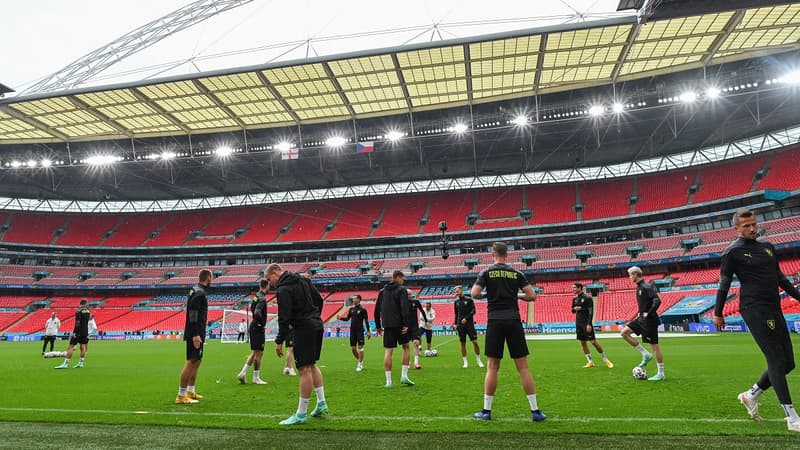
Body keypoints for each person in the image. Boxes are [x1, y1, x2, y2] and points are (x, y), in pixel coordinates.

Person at [714, 208, 800, 432]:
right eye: (746, 226)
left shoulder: (767, 247)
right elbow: (724, 284)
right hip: (753, 308)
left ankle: (750, 395)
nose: (752, 228)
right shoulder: (731, 253)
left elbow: (781, 279)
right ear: (737, 229)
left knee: (789, 363)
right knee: (776, 360)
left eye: (754, 223)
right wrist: (718, 312)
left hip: (774, 307)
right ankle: (792, 418)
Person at [471, 242, 545, 422]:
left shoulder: (487, 272)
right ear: (507, 255)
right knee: (523, 368)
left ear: (493, 254)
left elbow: (474, 293)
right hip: (513, 320)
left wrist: (488, 294)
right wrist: (516, 295)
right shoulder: (516, 273)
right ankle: (535, 411)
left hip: (495, 321)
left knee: (492, 367)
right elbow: (532, 296)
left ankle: (486, 411)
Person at [267, 263, 328, 425]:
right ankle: (321, 403)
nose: (270, 283)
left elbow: (284, 317)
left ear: (275, 272)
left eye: (269, 278)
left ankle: (301, 414)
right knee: (312, 364)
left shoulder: (283, 289)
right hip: (316, 324)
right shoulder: (304, 280)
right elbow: (319, 300)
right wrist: (314, 316)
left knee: (303, 369)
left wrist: (279, 340)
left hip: (304, 328)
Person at [620, 266, 664, 381]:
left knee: (654, 346)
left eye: (630, 275)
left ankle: (661, 373)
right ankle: (645, 354)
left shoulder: (646, 286)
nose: (630, 277)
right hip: (641, 319)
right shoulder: (639, 287)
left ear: (635, 274)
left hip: (649, 320)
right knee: (624, 333)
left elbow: (657, 300)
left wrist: (649, 313)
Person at [175, 269, 211, 404]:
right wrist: (195, 334)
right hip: (195, 333)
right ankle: (181, 395)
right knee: (191, 361)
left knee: (197, 360)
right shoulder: (199, 292)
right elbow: (193, 314)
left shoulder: (197, 290)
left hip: (198, 331)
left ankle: (190, 391)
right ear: (208, 279)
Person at [374, 270, 414, 387]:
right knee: (406, 347)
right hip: (400, 325)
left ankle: (388, 381)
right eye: (402, 279)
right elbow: (404, 308)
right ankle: (404, 376)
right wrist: (406, 324)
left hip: (387, 325)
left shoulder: (382, 291)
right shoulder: (402, 290)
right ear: (398, 277)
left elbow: (377, 310)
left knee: (388, 351)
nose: (403, 281)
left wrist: (378, 326)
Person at [571, 282, 613, 368]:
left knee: (593, 342)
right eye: (573, 288)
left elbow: (591, 311)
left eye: (575, 288)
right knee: (583, 343)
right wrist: (575, 309)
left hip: (586, 323)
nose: (573, 289)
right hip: (578, 323)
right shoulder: (574, 299)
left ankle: (606, 359)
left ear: (580, 288)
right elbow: (572, 310)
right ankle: (590, 362)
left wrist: (589, 324)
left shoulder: (587, 298)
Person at [237, 280, 269, 385]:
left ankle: (242, 373)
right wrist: (260, 323)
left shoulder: (256, 296)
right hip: (257, 327)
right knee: (259, 353)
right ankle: (256, 377)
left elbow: (252, 308)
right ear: (266, 286)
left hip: (253, 326)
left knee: (255, 352)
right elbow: (257, 312)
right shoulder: (262, 298)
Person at [337, 294, 371, 371]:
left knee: (361, 348)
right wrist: (340, 318)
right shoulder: (351, 309)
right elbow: (347, 319)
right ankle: (361, 361)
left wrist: (368, 331)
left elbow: (366, 321)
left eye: (354, 298)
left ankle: (359, 364)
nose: (353, 300)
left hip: (360, 331)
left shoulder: (363, 310)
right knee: (353, 349)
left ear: (359, 299)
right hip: (352, 330)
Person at [453, 285, 484, 369]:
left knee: (475, 342)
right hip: (460, 325)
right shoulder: (456, 302)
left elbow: (474, 311)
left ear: (461, 290)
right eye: (455, 291)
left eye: (457, 291)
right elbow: (456, 314)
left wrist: (466, 318)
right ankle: (465, 362)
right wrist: (455, 323)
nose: (456, 292)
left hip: (469, 324)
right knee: (463, 343)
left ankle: (478, 360)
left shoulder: (469, 300)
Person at [54, 299, 90, 369]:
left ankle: (65, 364)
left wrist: (75, 332)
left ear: (80, 303)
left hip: (78, 332)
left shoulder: (79, 311)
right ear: (85, 304)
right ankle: (81, 363)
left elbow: (77, 323)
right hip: (85, 332)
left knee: (70, 347)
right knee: (82, 347)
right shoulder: (88, 311)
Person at [409, 292, 427, 369]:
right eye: (408, 294)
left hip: (414, 326)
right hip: (405, 326)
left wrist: (425, 320)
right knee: (406, 345)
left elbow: (422, 310)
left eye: (410, 294)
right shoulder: (402, 302)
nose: (410, 296)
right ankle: (408, 362)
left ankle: (416, 363)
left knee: (416, 343)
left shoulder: (415, 302)